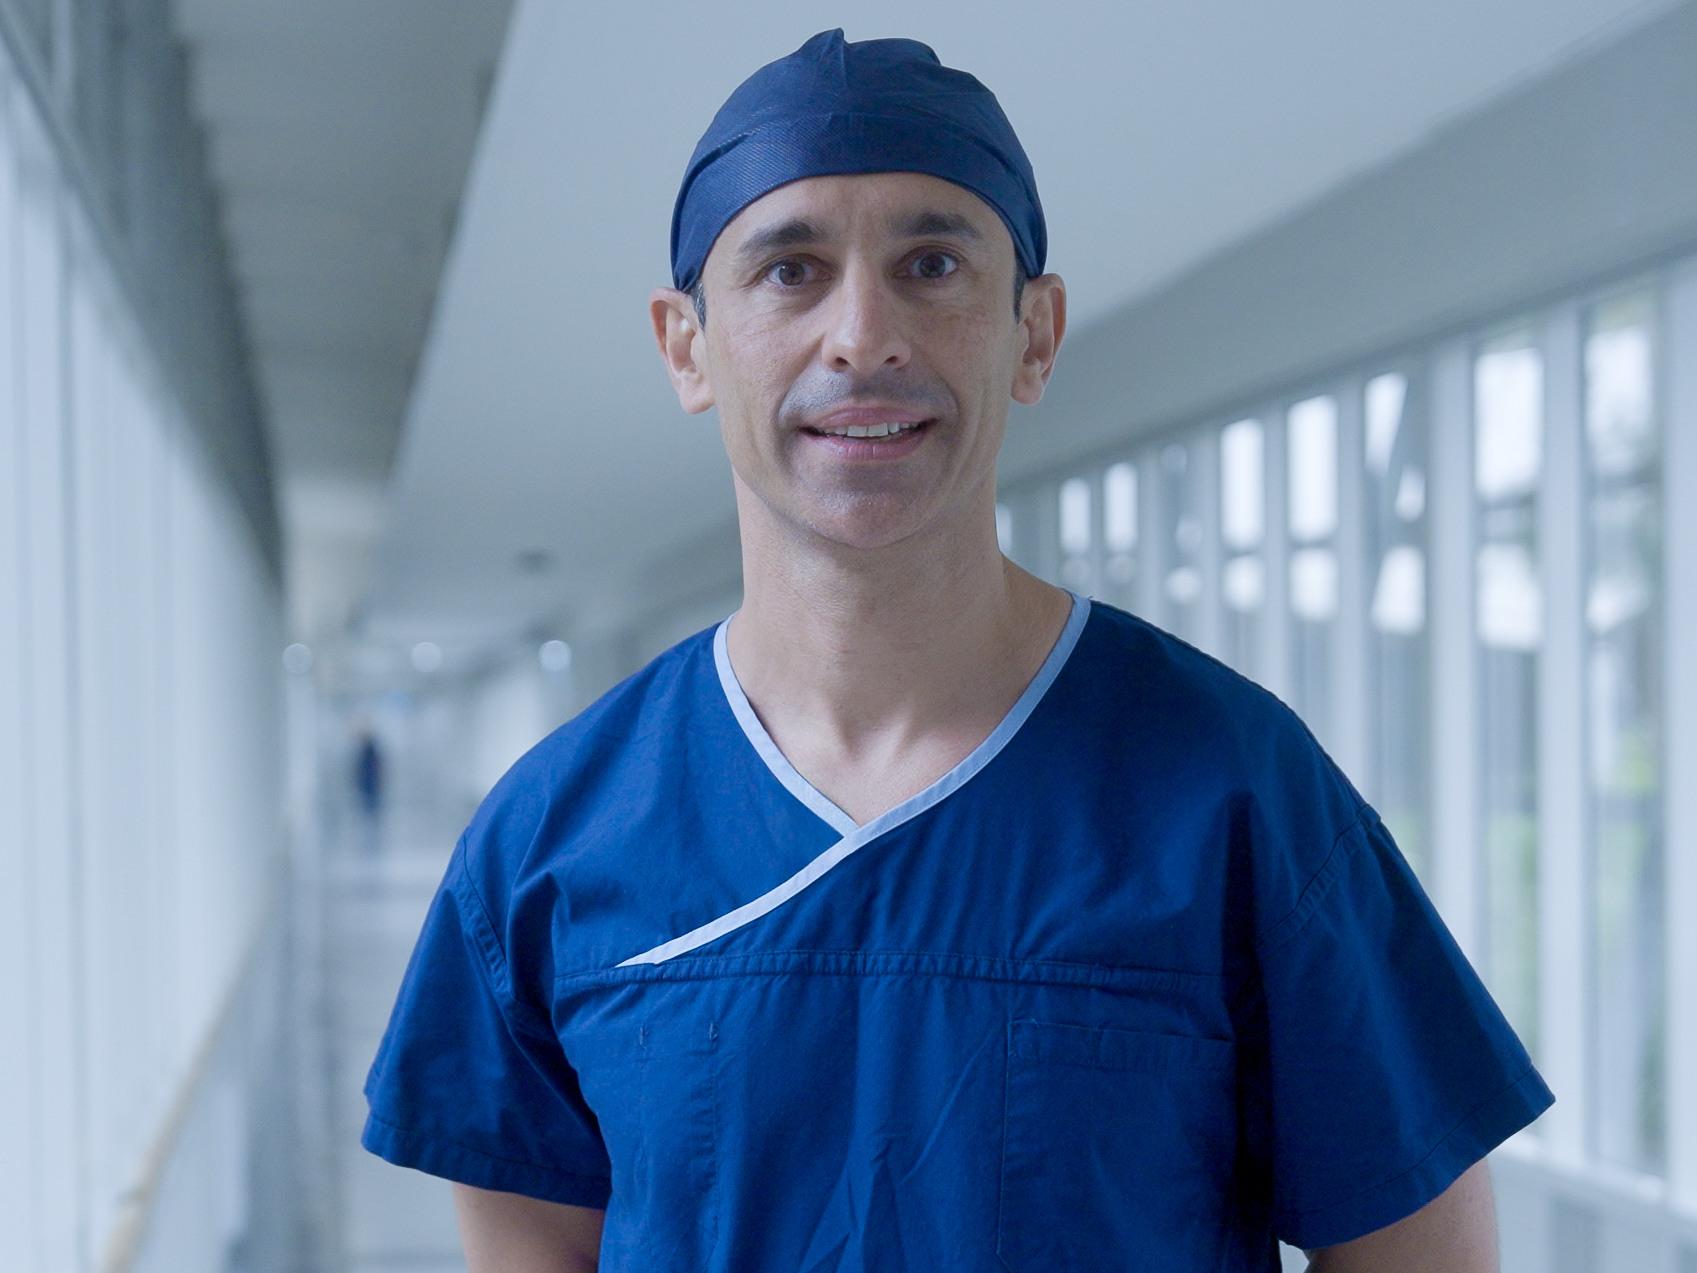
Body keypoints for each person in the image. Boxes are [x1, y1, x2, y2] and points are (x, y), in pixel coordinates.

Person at [361, 28, 1553, 1272]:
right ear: (685, 345)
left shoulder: (1236, 791)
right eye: (789, 270)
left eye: (931, 264)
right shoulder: (555, 836)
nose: (863, 334)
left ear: (1032, 334)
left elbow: (1421, 1250)